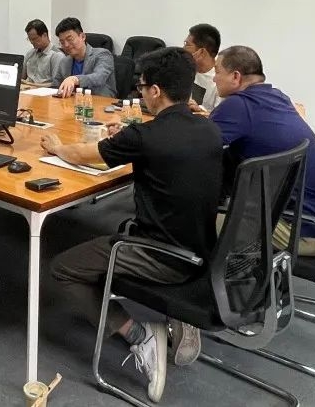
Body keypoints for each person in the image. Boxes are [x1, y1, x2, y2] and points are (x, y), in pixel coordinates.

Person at [46, 48, 223, 403]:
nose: (140, 93)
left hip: (159, 255)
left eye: (141, 87)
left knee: (62, 268)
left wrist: (58, 146)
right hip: (203, 250)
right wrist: (130, 134)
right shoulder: (209, 128)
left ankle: (140, 334)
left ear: (155, 91)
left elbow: (82, 155)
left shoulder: (145, 136)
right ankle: (177, 315)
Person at [210, 46, 315, 256]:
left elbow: (195, 147)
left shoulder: (239, 105)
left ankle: (211, 274)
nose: (214, 78)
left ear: (235, 76)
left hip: (298, 231)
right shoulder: (277, 96)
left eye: (217, 71)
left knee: (194, 217)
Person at [50, 17, 116, 98]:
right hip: (71, 102)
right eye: (62, 42)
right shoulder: (64, 61)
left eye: (69, 39)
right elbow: (55, 86)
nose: (66, 45)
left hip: (100, 101)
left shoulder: (103, 54)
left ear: (83, 37)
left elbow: (99, 77)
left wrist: (75, 79)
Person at [182, 23, 223, 112]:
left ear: (201, 52)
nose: (183, 49)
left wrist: (199, 110)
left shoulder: (221, 79)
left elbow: (220, 115)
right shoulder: (185, 68)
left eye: (187, 45)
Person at [23, 19, 63, 86]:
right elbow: (21, 76)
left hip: (44, 90)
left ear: (44, 35)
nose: (32, 42)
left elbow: (56, 84)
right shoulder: (30, 53)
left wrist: (31, 85)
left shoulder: (56, 55)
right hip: (27, 89)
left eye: (34, 39)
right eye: (29, 39)